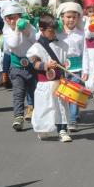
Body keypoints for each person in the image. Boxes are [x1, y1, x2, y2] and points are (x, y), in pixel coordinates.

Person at [27, 14, 72, 142]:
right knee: (44, 107)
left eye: (55, 31)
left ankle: (62, 130)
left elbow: (66, 61)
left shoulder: (62, 44)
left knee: (61, 107)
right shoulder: (36, 47)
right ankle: (43, 129)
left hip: (60, 82)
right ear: (41, 29)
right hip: (45, 83)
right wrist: (46, 65)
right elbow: (35, 63)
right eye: (50, 31)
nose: (53, 34)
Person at [2, 3, 37, 131]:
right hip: (16, 66)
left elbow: (36, 40)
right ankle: (18, 117)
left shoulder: (29, 26)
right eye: (8, 18)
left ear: (20, 17)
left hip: (32, 64)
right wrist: (17, 29)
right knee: (18, 92)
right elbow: (14, 43)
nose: (11, 20)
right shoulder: (7, 31)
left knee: (34, 91)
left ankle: (34, 111)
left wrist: (27, 31)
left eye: (14, 17)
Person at [57, 2, 85, 132]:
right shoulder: (57, 34)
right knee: (63, 95)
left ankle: (72, 120)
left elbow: (85, 53)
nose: (71, 20)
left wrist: (85, 70)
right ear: (62, 17)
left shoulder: (81, 34)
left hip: (76, 69)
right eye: (68, 17)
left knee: (74, 94)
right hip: (61, 68)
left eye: (74, 17)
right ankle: (65, 118)